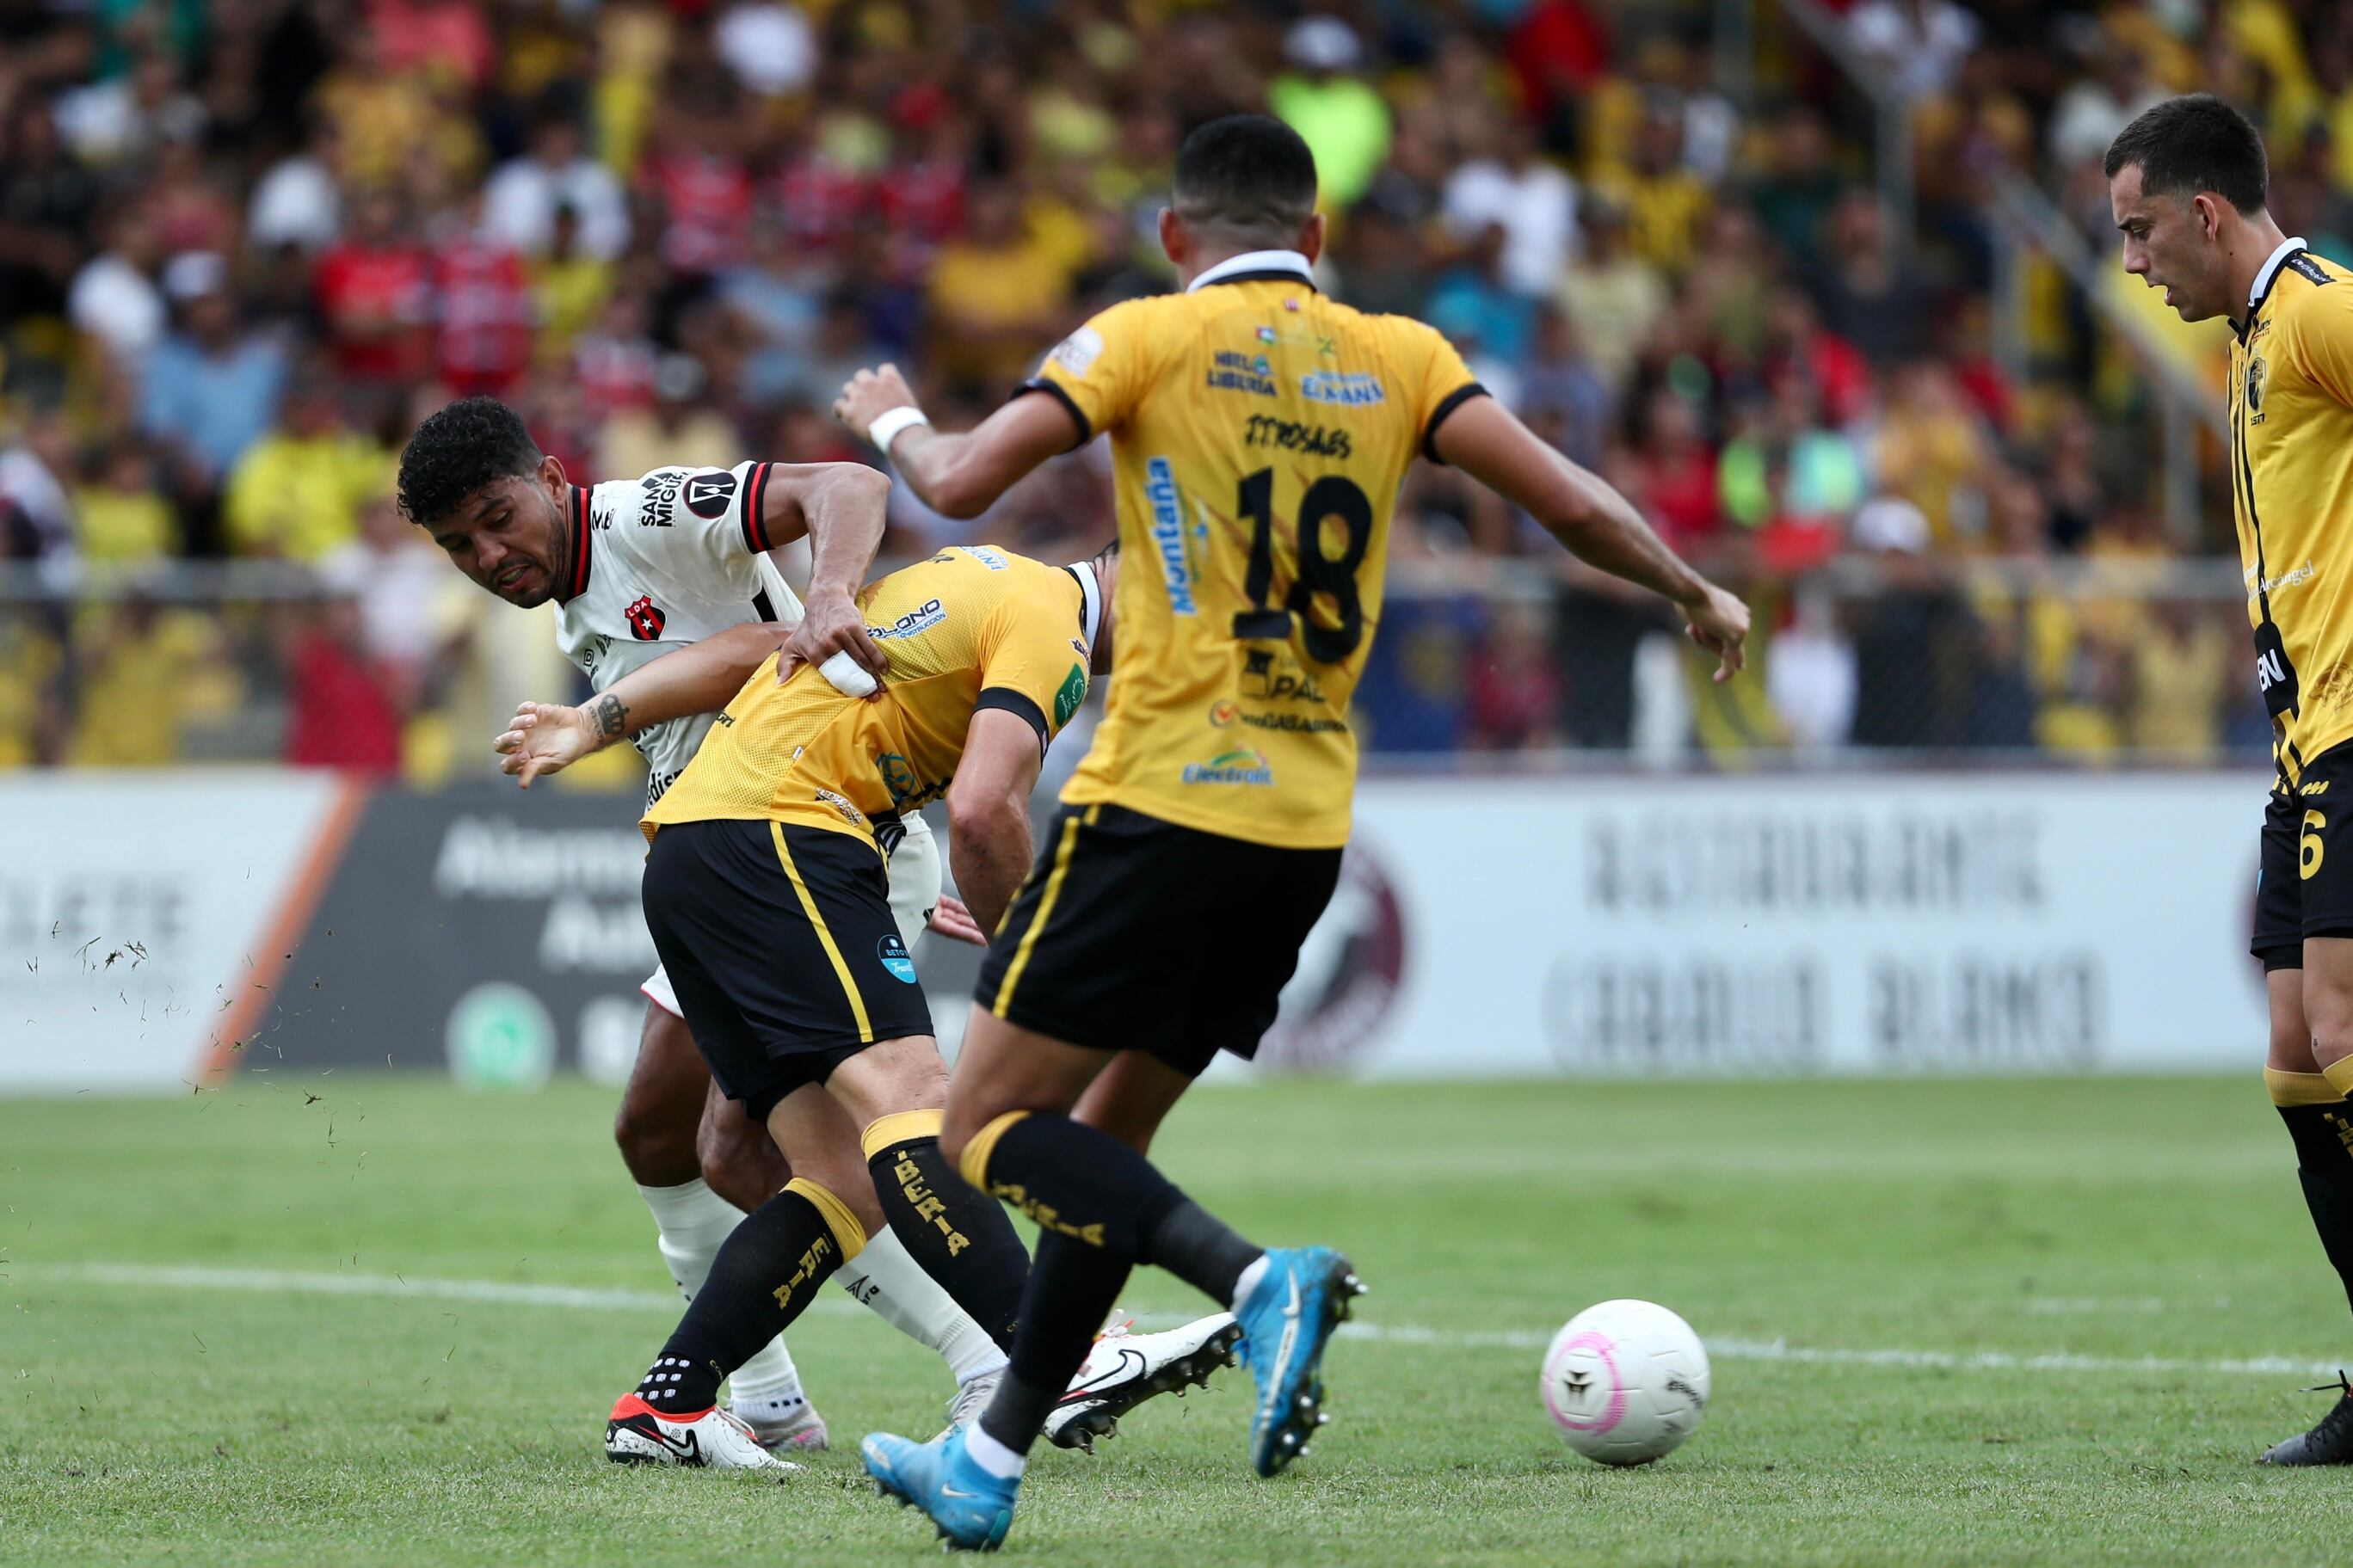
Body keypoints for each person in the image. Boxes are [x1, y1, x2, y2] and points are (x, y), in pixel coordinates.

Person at [834, 113, 1749, 1549]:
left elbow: (950, 482)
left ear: (1175, 236)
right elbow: (1566, 499)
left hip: (1160, 799)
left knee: (984, 1124)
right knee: (1106, 1143)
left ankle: (1256, 1276)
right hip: (1304, 829)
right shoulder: (1401, 356)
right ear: (1315, 239)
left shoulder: (1143, 335)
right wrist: (1694, 589)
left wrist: (886, 413)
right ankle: (990, 1455)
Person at [398, 398, 1225, 1466]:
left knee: (790, 1143)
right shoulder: (1031, 610)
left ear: (553, 480)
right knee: (795, 1134)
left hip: (790, 841)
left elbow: (847, 495)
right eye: (461, 543)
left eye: (496, 519)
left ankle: (754, 1392)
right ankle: (996, 1364)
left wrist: (823, 597)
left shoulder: (646, 513)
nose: (488, 553)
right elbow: (808, 680)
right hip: (767, 844)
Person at [2107, 93, 2353, 1467]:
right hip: (2304, 738)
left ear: (2207, 214)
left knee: (2334, 1021)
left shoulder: (2315, 307)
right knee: (2293, 1054)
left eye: (2140, 231)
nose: (2132, 264)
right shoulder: (2255, 343)